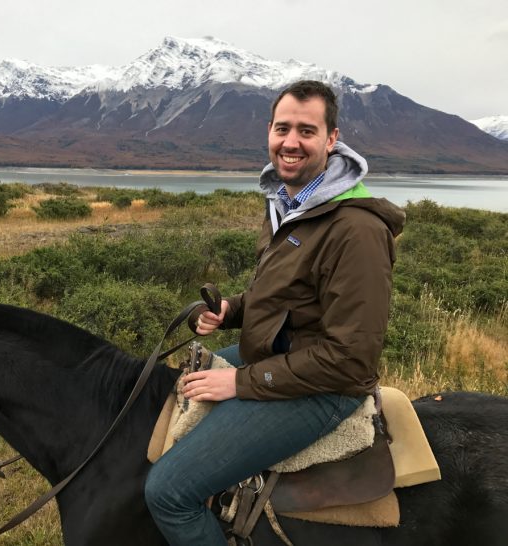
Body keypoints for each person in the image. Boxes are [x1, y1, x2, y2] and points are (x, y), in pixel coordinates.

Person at [144, 80, 406, 545]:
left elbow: (351, 359)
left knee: (168, 491)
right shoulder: (289, 201)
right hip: (281, 357)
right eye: (282, 128)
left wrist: (240, 383)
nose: (290, 142)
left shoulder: (357, 230)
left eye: (307, 131)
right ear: (268, 130)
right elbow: (288, 299)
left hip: (326, 389)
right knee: (171, 384)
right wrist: (232, 312)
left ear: (331, 138)